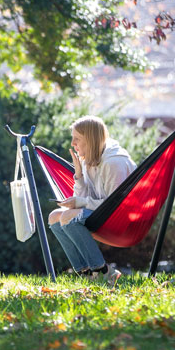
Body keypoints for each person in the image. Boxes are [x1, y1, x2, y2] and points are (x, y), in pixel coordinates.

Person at [48, 116, 136, 283]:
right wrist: (79, 175)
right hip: (100, 213)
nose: (73, 143)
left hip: (121, 219)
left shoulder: (113, 163)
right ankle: (86, 274)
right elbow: (84, 198)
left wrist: (79, 203)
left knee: (68, 217)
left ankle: (103, 271)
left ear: (90, 140)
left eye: (77, 139)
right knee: (54, 217)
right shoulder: (90, 159)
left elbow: (115, 206)